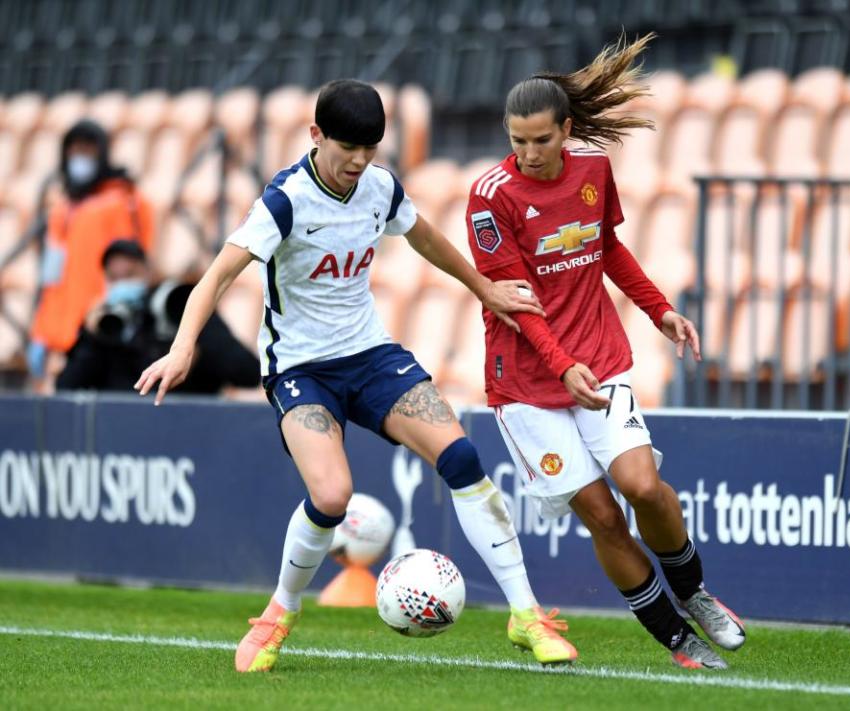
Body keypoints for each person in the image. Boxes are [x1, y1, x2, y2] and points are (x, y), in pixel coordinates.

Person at [135, 80, 578, 672]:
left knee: (463, 459)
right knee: (332, 495)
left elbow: (421, 235)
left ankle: (527, 616)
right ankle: (278, 614)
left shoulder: (378, 186)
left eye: (371, 148)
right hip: (300, 368)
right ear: (316, 136)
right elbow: (214, 277)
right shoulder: (285, 201)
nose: (360, 161)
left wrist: (484, 287)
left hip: (369, 355)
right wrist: (183, 346)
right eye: (349, 148)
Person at [466, 35, 746, 671]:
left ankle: (694, 593)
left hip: (600, 355)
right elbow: (515, 302)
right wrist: (562, 366)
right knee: (601, 515)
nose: (530, 153)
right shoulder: (489, 197)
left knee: (642, 486)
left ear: (566, 129)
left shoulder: (593, 170)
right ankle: (678, 641)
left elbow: (608, 249)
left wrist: (661, 309)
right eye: (518, 141)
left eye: (541, 139)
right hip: (526, 384)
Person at [30, 119, 154, 389]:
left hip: (105, 332)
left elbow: (132, 265)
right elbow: (52, 279)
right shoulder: (62, 210)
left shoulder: (124, 202)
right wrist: (41, 333)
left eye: (87, 150)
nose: (80, 159)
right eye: (74, 151)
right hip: (67, 342)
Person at [56, 239, 260, 393]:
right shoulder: (105, 323)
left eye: (130, 274)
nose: (122, 284)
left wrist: (192, 349)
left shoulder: (178, 308)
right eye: (113, 278)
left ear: (148, 272)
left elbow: (247, 373)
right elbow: (66, 388)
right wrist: (94, 336)